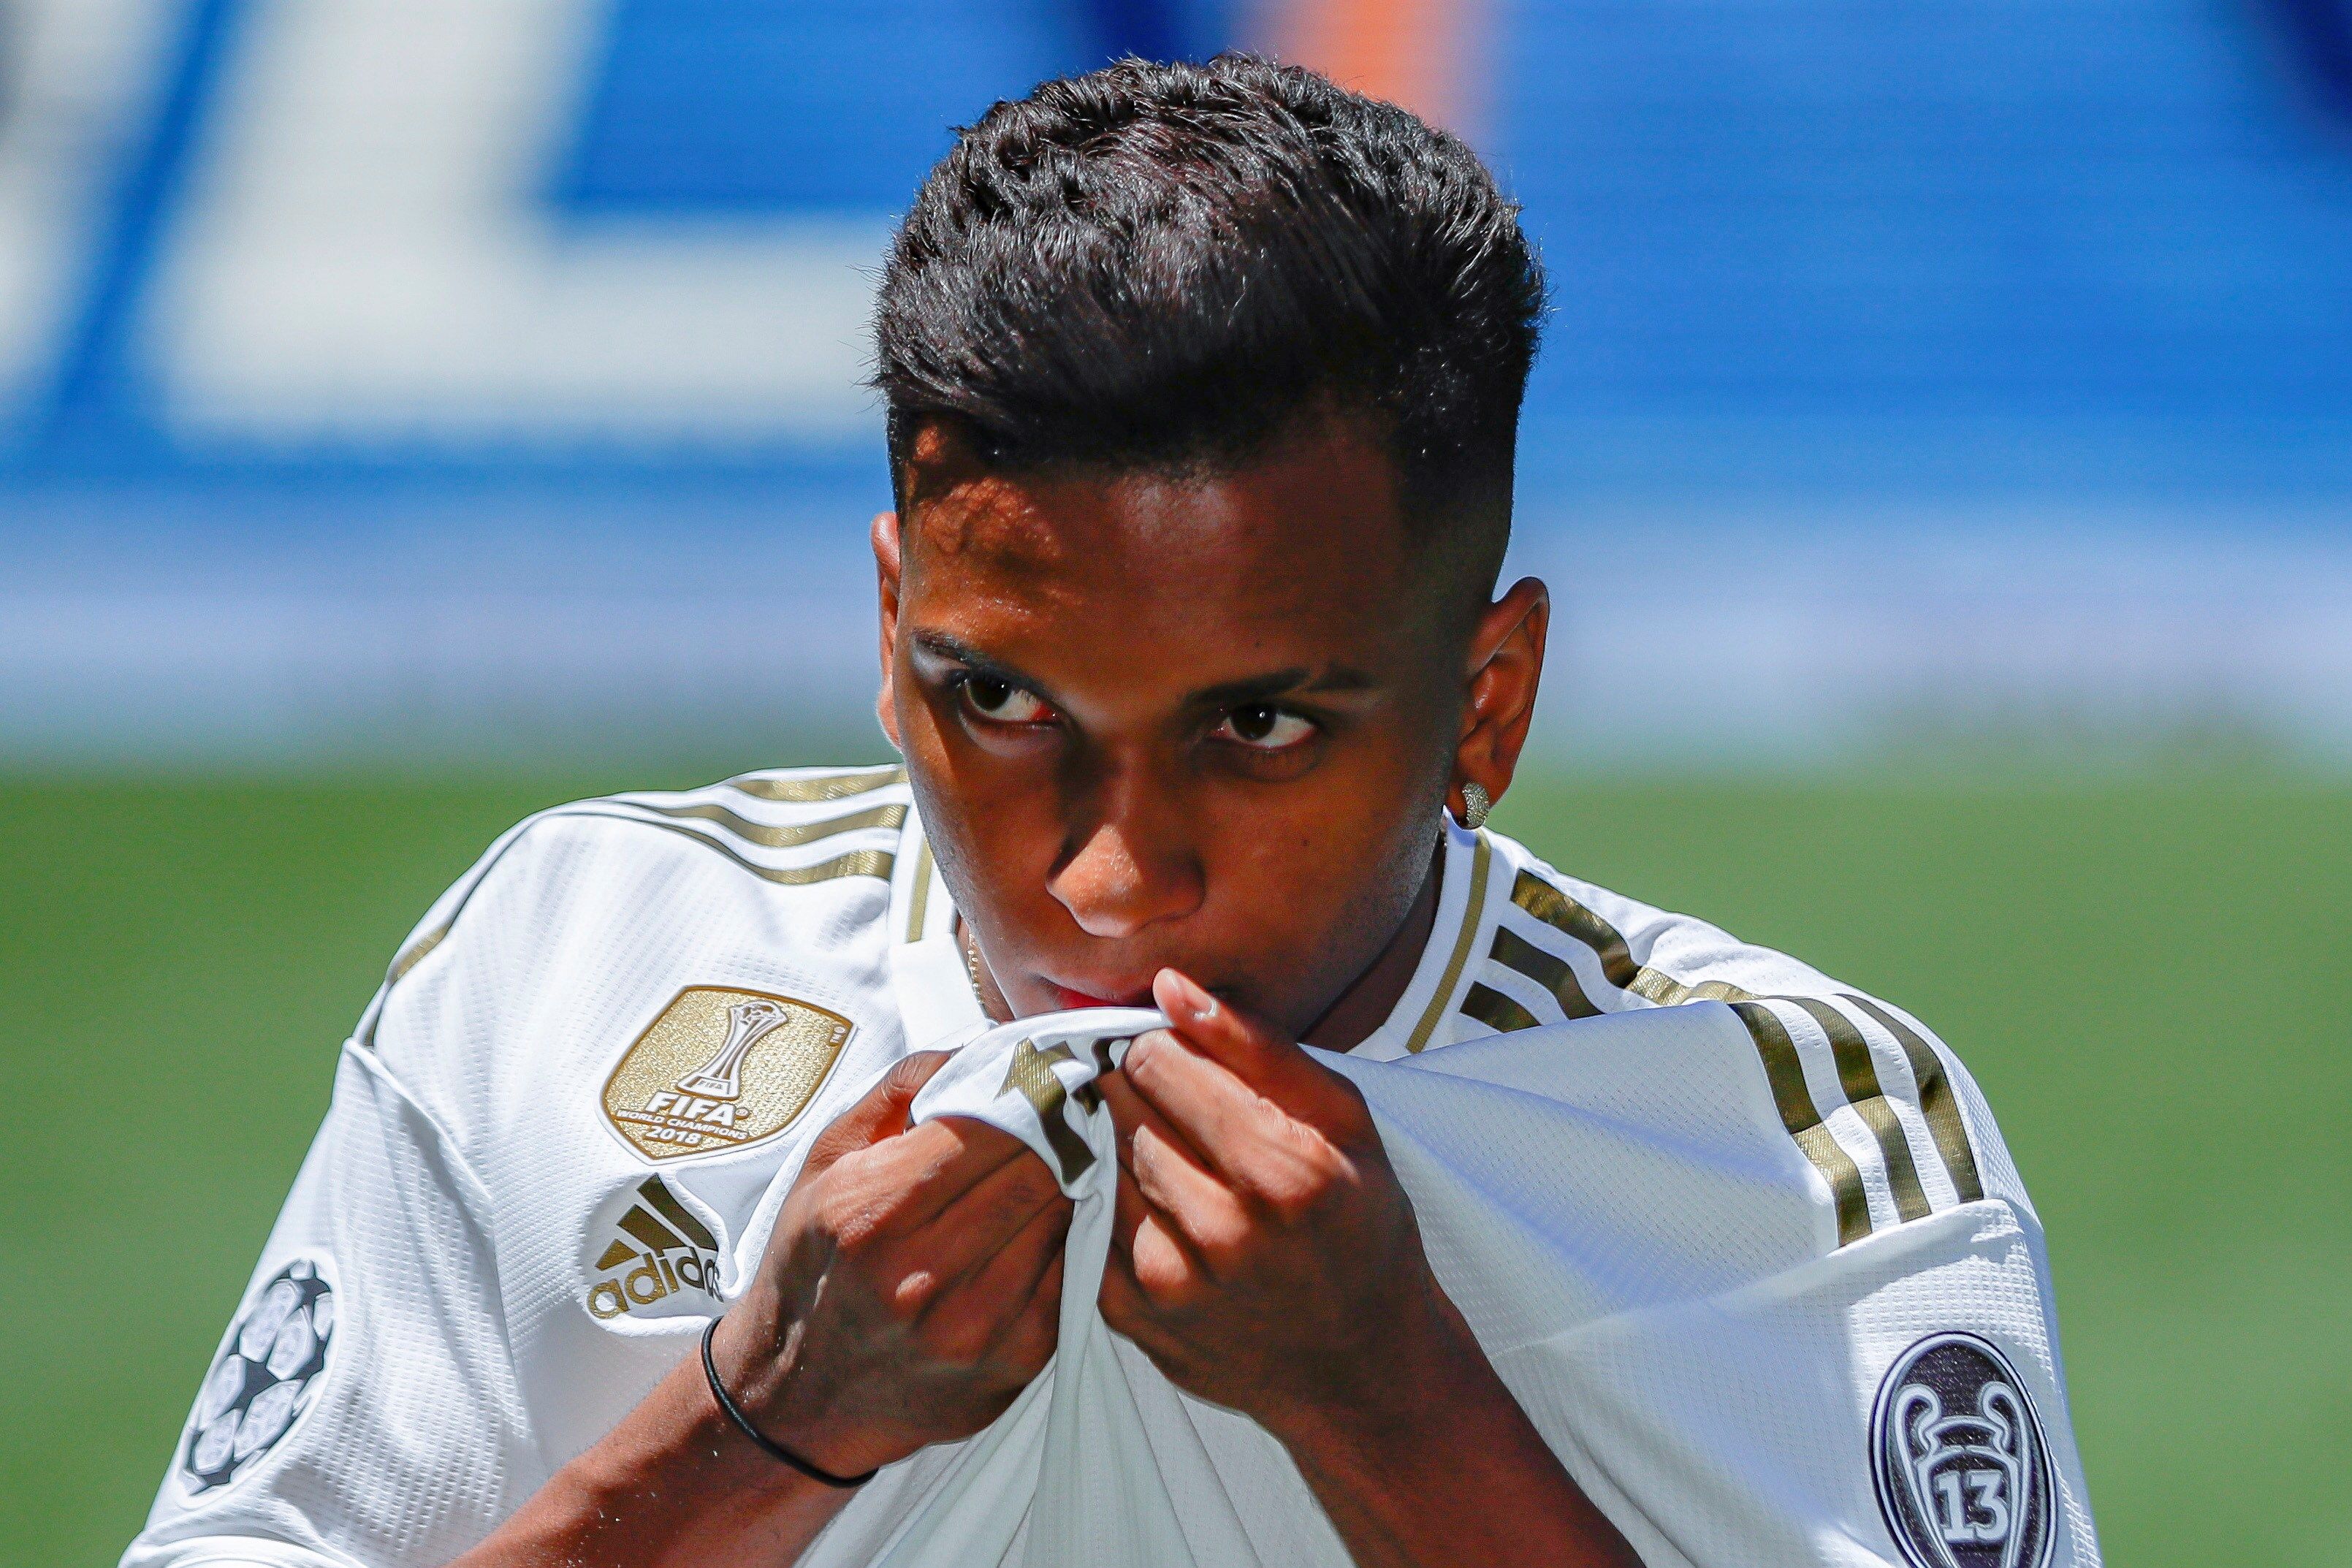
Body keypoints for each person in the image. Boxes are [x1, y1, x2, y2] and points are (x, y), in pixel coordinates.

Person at [125, 55, 2098, 1568]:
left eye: (1255, 723)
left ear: (1482, 705)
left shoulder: (1789, 1129)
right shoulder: (570, 959)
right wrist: (752, 1431)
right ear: (891, 630)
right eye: (999, 701)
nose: (1104, 873)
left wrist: (1393, 1402)